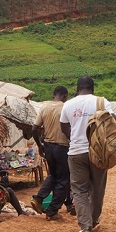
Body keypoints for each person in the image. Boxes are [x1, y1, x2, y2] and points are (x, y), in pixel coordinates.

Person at [60, 76, 116, 232]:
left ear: (77, 89)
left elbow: (63, 127)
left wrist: (76, 138)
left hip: (76, 153)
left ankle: (85, 226)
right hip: (98, 153)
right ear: (93, 88)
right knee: (97, 189)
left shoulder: (68, 105)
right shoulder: (101, 102)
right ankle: (94, 218)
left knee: (79, 190)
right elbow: (114, 121)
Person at [30, 85, 74, 220]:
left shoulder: (44, 107)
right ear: (65, 96)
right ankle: (52, 211)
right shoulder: (66, 108)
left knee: (53, 175)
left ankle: (38, 198)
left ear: (53, 95)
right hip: (62, 147)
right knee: (64, 180)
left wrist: (40, 145)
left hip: (48, 146)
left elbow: (34, 129)